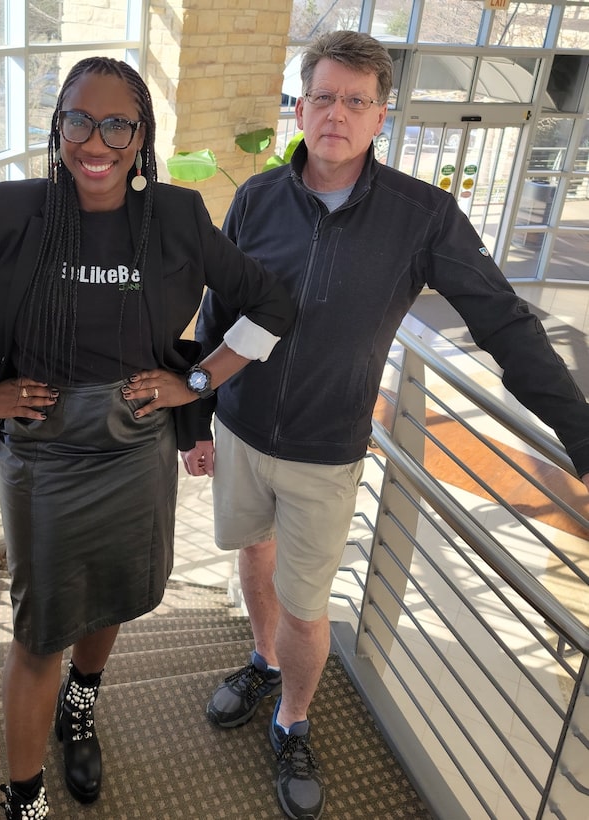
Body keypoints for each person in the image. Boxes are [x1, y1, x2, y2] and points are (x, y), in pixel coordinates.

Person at [182, 30, 589, 820]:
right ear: (301, 106)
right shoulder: (257, 198)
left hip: (326, 452)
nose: (337, 113)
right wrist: (196, 419)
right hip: (238, 428)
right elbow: (217, 314)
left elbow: (504, 323)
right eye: (324, 96)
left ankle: (292, 718)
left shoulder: (423, 217)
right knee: (254, 559)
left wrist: (581, 432)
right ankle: (261, 661)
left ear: (381, 116)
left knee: (306, 603)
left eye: (356, 101)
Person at [0, 57, 294, 819]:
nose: (94, 141)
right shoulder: (7, 212)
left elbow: (270, 305)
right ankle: (25, 798)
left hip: (135, 447)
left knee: (111, 597)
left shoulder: (177, 217)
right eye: (77, 120)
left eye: (116, 124)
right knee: (39, 629)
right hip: (43, 450)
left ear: (141, 135)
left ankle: (82, 704)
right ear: (57, 125)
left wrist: (197, 382)